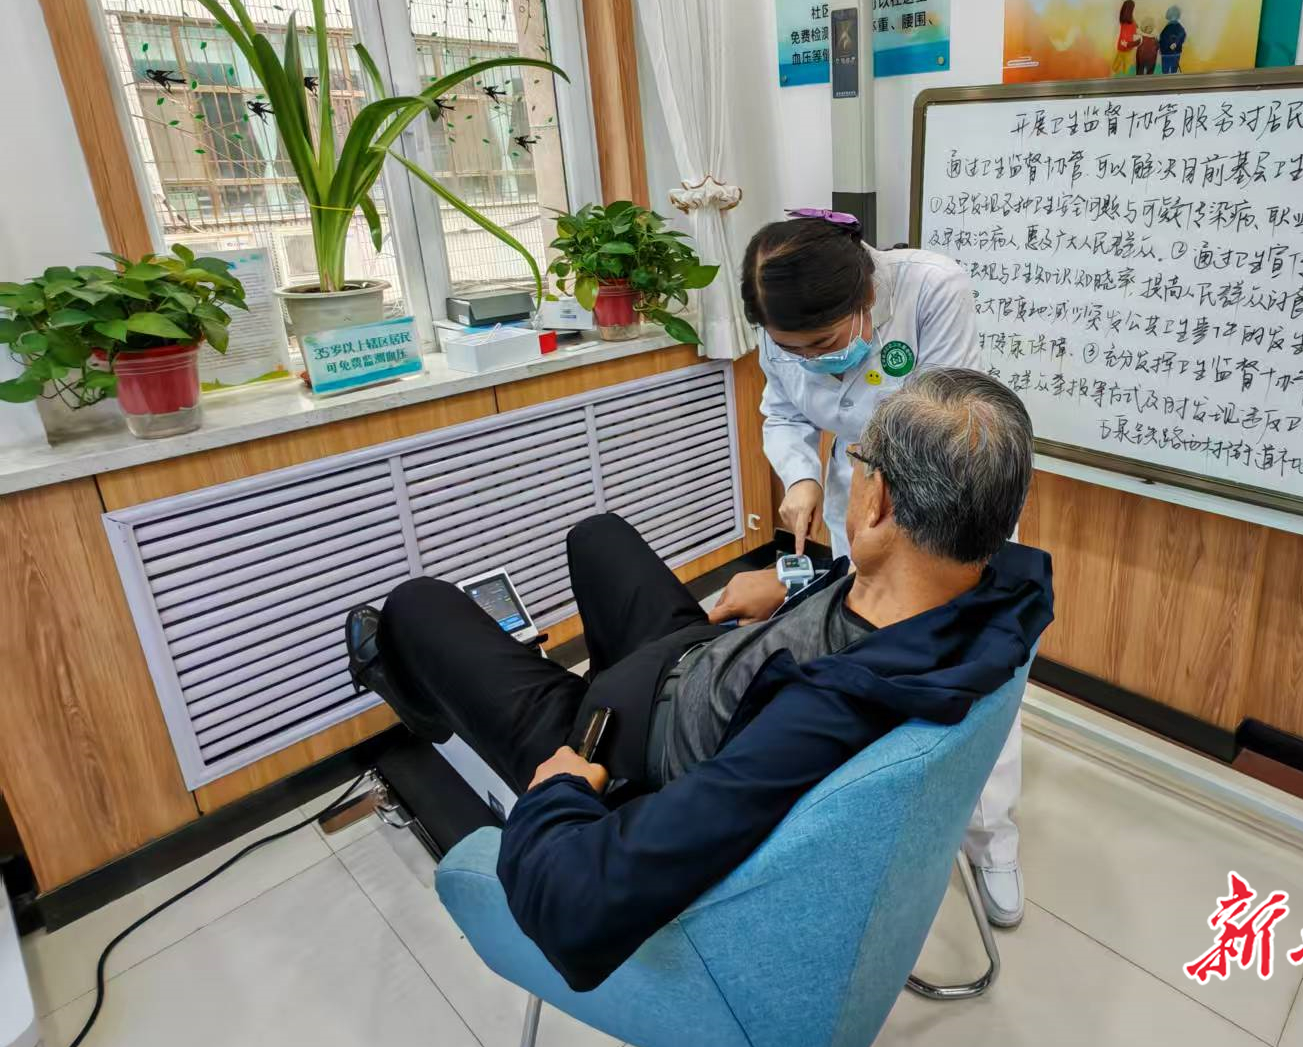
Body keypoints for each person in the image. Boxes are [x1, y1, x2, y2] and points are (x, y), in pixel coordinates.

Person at [347, 370, 1053, 992]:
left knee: (414, 605)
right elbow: (877, 584)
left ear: (878, 506)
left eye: (857, 461)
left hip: (615, 751)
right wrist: (798, 582)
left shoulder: (815, 724)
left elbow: (578, 906)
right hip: (710, 661)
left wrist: (559, 793)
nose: (853, 473)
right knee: (596, 534)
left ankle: (420, 704)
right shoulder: (994, 592)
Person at [716, 209, 1030, 928]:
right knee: (864, 666)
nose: (809, 359)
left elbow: (948, 426)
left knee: (970, 676)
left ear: (864, 298)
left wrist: (895, 531)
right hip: (859, 508)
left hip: (949, 512)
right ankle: (873, 821)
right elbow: (783, 412)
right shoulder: (783, 324)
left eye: (823, 344)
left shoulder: (931, 288)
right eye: (790, 348)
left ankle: (991, 838)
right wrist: (800, 478)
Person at [1111, 0, 1137, 75]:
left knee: (1116, 66)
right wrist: (1129, 44)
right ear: (1131, 10)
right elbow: (1127, 36)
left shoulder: (1123, 20)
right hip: (1127, 47)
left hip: (1122, 46)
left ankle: (1116, 74)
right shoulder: (1130, 23)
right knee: (1125, 68)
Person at [1158, 3, 1187, 74]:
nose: (1173, 18)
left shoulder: (1171, 27)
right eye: (1172, 16)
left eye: (1175, 16)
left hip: (1169, 54)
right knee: (1170, 71)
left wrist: (1175, 43)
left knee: (1167, 71)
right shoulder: (1176, 27)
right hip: (1170, 53)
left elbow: (1182, 36)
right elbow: (1182, 36)